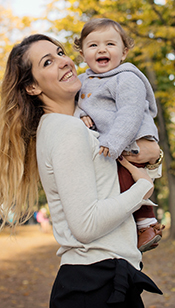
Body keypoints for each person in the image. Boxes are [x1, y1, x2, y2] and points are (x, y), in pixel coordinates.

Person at [0, 34, 162, 307]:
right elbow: (86, 225)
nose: (64, 62)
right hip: (95, 285)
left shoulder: (78, 126)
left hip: (104, 278)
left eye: (60, 52)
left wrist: (151, 156)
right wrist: (143, 189)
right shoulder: (68, 131)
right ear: (33, 87)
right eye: (48, 61)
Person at [73, 19, 165, 252]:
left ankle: (146, 223)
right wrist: (80, 114)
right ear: (82, 54)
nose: (102, 49)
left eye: (110, 44)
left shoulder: (126, 78)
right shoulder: (82, 81)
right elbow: (73, 104)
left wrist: (114, 141)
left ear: (124, 53)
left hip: (130, 139)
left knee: (127, 177)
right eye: (93, 45)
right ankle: (139, 226)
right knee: (117, 184)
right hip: (109, 145)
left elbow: (130, 113)